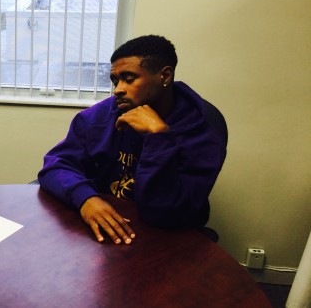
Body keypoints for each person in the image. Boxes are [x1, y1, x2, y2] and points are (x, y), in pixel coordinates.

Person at [38, 35, 227, 245]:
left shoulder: (203, 128)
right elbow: (55, 167)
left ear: (164, 76)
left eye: (129, 79)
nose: (118, 89)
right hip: (108, 228)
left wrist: (158, 137)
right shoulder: (100, 116)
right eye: (115, 80)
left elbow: (166, 213)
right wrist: (86, 199)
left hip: (169, 238)